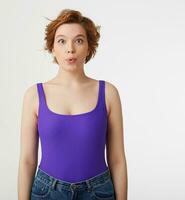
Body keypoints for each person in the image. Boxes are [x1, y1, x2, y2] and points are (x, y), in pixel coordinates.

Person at [18, 9, 127, 200]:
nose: (70, 49)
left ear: (88, 47)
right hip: (47, 192)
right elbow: (27, 160)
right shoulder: (34, 95)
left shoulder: (108, 93)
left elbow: (117, 160)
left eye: (78, 40)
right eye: (62, 41)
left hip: (98, 192)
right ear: (52, 47)